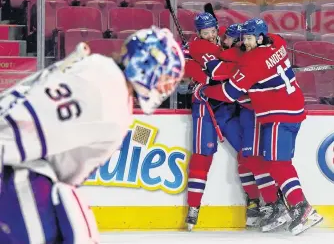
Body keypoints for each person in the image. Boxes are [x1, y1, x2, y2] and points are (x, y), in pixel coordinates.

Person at [0, 26, 185, 244]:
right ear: (147, 66)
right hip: (18, 176)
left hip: (26, 172)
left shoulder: (103, 72)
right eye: (165, 77)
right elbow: (23, 123)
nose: (165, 87)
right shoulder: (107, 92)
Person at [196, 18, 323, 235]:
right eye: (243, 38)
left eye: (248, 38)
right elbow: (250, 50)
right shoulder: (278, 43)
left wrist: (204, 91)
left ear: (260, 37)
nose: (244, 43)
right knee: (273, 163)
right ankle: (289, 205)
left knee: (277, 163)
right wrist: (230, 50)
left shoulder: (254, 61)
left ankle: (302, 207)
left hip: (278, 114)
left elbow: (229, 93)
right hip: (292, 111)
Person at [184, 15, 244, 231]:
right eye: (204, 32)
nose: (209, 35)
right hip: (204, 107)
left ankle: (259, 202)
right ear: (198, 33)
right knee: (202, 157)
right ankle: (194, 207)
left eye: (211, 31)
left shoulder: (227, 41)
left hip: (227, 107)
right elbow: (188, 68)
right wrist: (204, 79)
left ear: (217, 29)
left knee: (247, 149)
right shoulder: (196, 46)